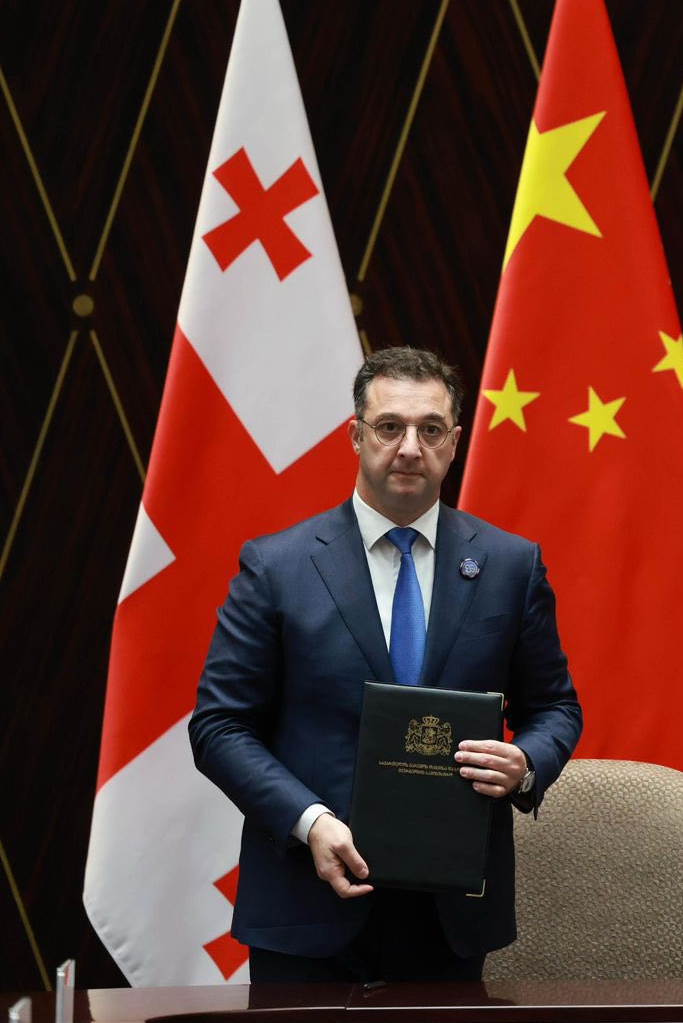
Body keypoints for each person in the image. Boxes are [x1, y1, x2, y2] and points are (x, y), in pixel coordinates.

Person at [190, 346, 581, 983]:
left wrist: (526, 763)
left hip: (449, 917)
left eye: (430, 430)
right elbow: (219, 727)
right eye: (389, 427)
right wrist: (310, 822)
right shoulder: (276, 567)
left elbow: (555, 707)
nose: (409, 448)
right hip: (306, 905)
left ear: (454, 443)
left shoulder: (511, 566)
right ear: (356, 436)